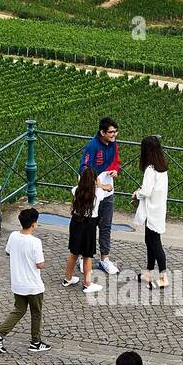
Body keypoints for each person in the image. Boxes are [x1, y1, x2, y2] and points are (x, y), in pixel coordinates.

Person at [0, 208, 49, 355]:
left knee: (19, 310)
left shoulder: (14, 236)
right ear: (34, 224)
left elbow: (8, 251)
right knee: (36, 313)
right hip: (33, 285)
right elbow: (40, 264)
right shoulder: (35, 242)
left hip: (18, 283)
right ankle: (36, 342)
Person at [79, 116, 121, 276]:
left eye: (115, 132)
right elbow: (84, 168)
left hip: (108, 191)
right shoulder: (92, 146)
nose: (114, 135)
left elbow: (117, 161)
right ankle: (84, 258)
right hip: (93, 192)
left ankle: (105, 259)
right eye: (111, 132)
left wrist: (116, 170)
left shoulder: (114, 144)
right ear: (102, 132)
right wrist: (100, 185)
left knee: (106, 226)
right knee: (88, 225)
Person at [132, 135, 169, 288]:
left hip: (151, 211)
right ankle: (148, 272)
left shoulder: (150, 169)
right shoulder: (162, 168)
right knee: (150, 241)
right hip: (158, 209)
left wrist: (136, 194)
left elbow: (146, 191)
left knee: (155, 243)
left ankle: (163, 276)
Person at [62, 167, 104, 296]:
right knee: (87, 255)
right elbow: (101, 187)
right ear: (94, 181)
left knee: (73, 252)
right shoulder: (98, 193)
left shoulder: (75, 190)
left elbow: (77, 185)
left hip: (75, 222)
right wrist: (99, 183)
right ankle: (87, 283)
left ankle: (67, 278)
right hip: (89, 224)